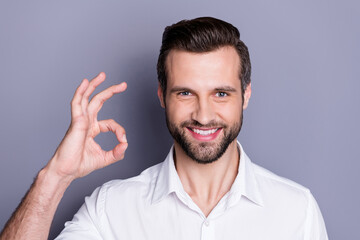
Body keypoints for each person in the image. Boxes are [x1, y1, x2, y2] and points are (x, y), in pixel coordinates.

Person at [0, 17, 328, 240]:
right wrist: (56, 176)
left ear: (246, 96)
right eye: (185, 93)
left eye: (221, 93)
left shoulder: (296, 211)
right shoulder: (112, 209)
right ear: (162, 96)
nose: (203, 114)